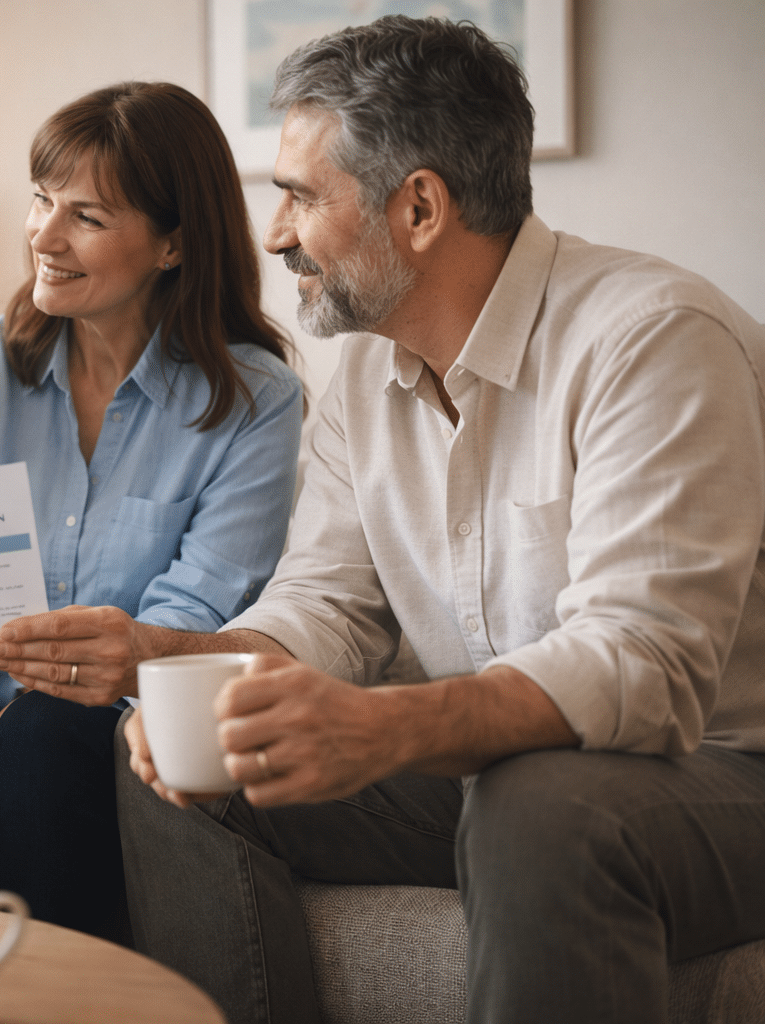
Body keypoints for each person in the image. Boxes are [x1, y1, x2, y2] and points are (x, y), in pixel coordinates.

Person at [83, 16, 765, 1024]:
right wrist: (184, 657)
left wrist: (386, 725)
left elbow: (644, 665)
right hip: (500, 771)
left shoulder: (653, 339)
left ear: (421, 207)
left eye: (302, 197)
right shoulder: (363, 369)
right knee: (181, 757)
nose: (274, 235)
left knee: (537, 801)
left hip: (716, 773)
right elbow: (330, 606)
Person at [0, 82, 304, 940]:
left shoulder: (257, 400)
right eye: (40, 200)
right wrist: (10, 691)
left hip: (119, 714)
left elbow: (200, 605)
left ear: (173, 244)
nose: (43, 235)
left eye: (87, 218)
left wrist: (51, 695)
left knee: (49, 732)